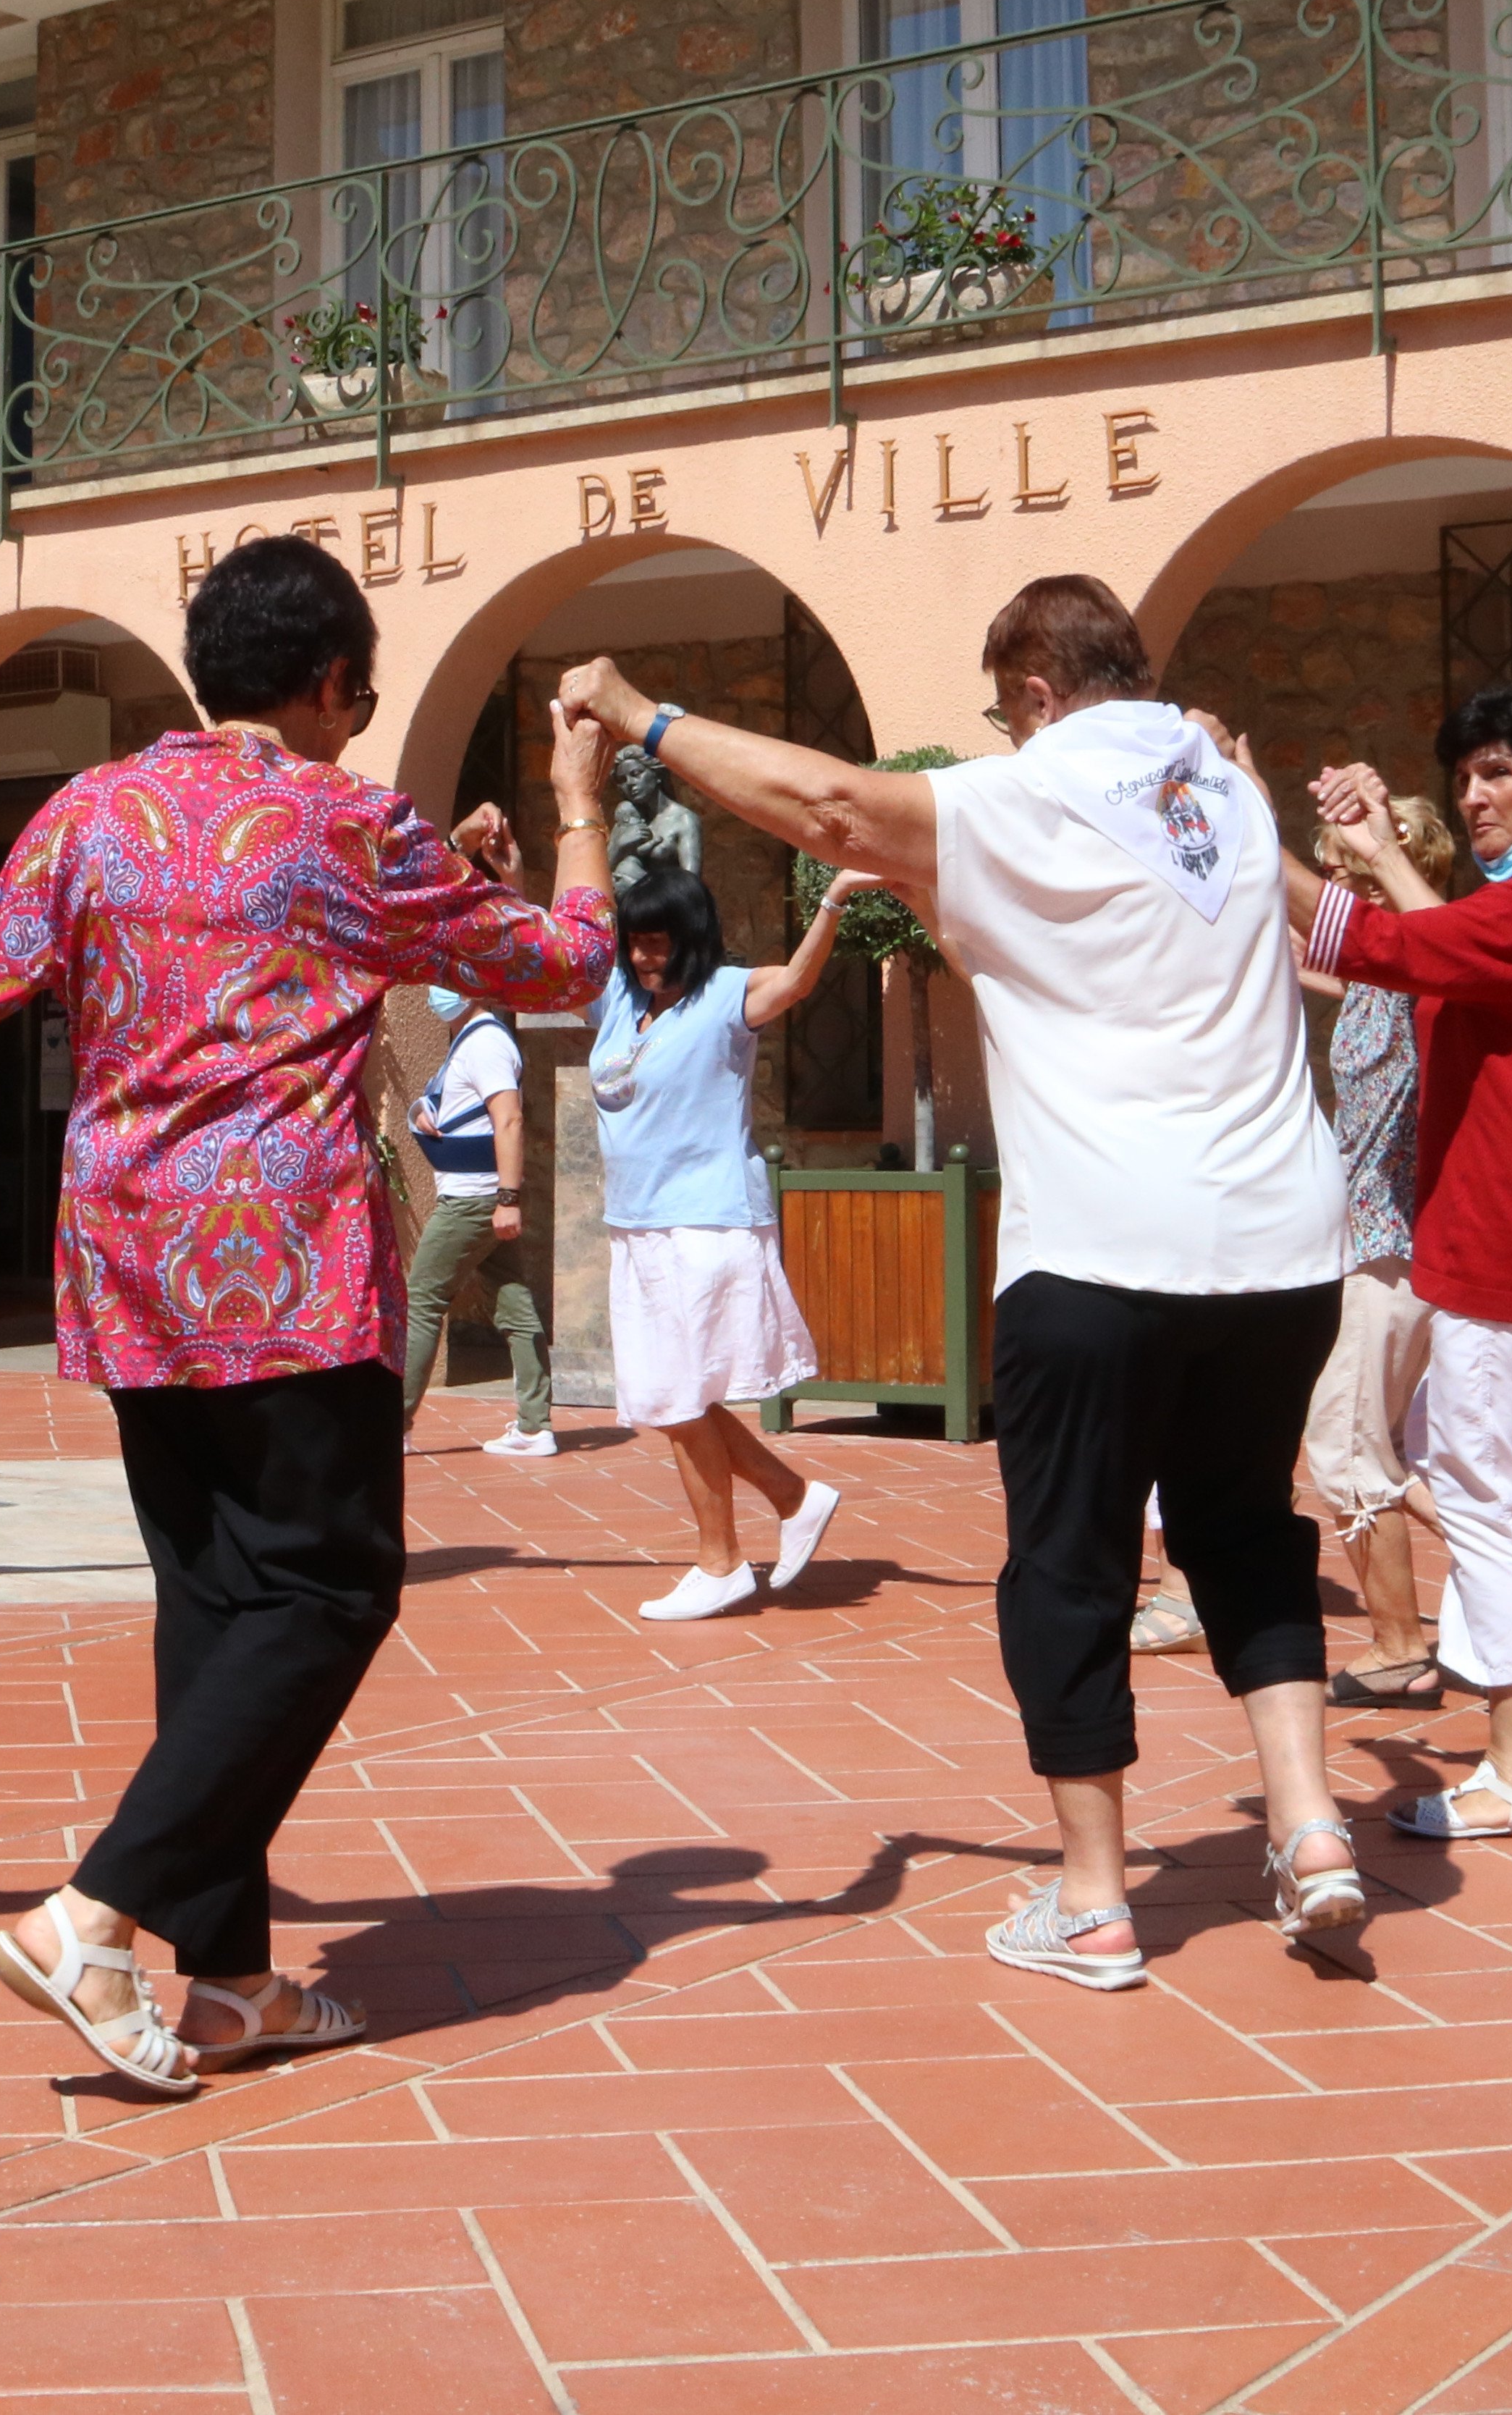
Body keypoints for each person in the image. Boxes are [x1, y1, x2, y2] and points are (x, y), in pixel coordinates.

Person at [0, 536, 617, 2092]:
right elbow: (564, 965)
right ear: (319, 685)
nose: (355, 722)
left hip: (124, 1269)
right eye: (357, 695)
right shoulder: (345, 819)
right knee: (326, 1592)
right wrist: (578, 802)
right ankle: (92, 1914)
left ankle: (229, 1982)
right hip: (285, 1268)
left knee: (215, 1601)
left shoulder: (91, 809)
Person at [555, 574, 1367, 1982]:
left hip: (1107, 1253)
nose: (1001, 737)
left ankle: (1096, 1899)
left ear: (1037, 694)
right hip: (1287, 1251)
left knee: (1069, 1559)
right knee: (1244, 1528)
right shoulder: (1224, 795)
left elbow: (826, 805)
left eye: (1003, 714)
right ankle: (1306, 1830)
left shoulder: (1034, 787)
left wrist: (639, 714)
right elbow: (1075, 945)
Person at [1270, 683, 1512, 1837]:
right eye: (1469, 773)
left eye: (1500, 773)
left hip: (1511, 1237)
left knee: (1478, 1490)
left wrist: (1236, 823)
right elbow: (1430, 951)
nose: (1477, 795)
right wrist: (1380, 846)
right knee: (1453, 1447)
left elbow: (1383, 944)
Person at [588, 864, 856, 1619]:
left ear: (690, 937)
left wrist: (835, 893)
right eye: (634, 942)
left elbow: (799, 980)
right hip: (635, 1227)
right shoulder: (616, 1002)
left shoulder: (724, 996)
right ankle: (792, 1496)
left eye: (656, 942)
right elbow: (565, 947)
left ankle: (721, 1562)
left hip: (703, 1222)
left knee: (677, 1398)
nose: (643, 957)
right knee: (672, 1397)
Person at [1297, 791, 1464, 1709]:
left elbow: (1412, 975)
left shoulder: (1419, 970)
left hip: (1387, 1245)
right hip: (1373, 1242)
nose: (1327, 877)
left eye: (1342, 864)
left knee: (1347, 1449)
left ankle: (1404, 1646)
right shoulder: (1379, 976)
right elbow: (1347, 966)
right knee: (1373, 1450)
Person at [397, 983, 552, 1459]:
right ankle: (534, 1425)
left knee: (423, 1298)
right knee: (514, 1299)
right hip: (481, 1197)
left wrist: (508, 1198)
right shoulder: (470, 1038)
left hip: (474, 1199)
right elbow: (465, 1109)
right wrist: (423, 1110)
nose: (434, 991)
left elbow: (508, 1120)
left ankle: (392, 1423)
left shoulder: (484, 1042)